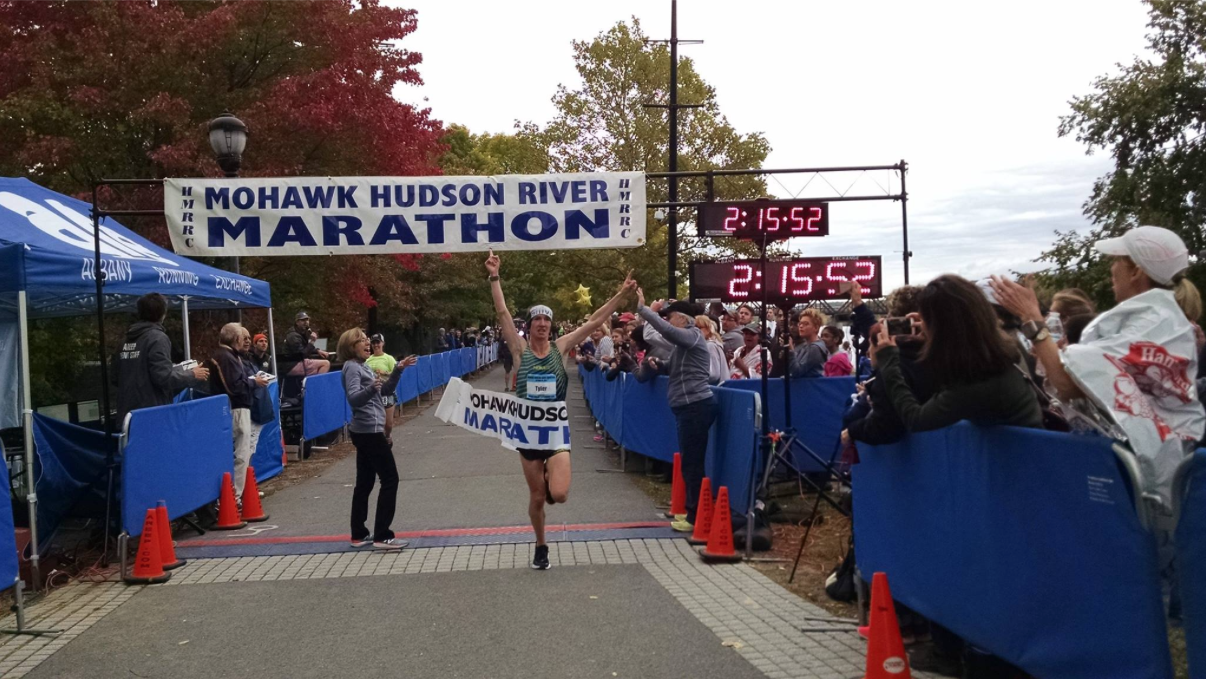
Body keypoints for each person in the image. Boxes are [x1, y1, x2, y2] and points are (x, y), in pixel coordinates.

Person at [990, 226, 1206, 510]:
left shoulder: (1151, 323)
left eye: (1116, 260)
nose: (1110, 268)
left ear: (1136, 271)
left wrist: (1032, 320)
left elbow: (1067, 385)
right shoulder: (1156, 318)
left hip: (1149, 477)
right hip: (1149, 467)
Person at [486, 249, 635, 570]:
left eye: (546, 319)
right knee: (537, 498)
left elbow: (595, 320)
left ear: (551, 325)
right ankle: (541, 545)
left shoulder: (561, 346)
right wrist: (495, 276)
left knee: (561, 494)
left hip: (555, 431)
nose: (541, 323)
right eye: (536, 319)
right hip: (527, 432)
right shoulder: (520, 349)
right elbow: (502, 314)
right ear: (529, 325)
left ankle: (550, 479)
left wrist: (621, 294)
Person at [871, 275, 1043, 433]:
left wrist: (888, 362)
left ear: (941, 328)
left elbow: (916, 419)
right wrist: (932, 332)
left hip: (1017, 459)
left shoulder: (977, 381)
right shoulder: (993, 352)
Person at [635, 288, 716, 534]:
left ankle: (696, 516)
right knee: (691, 463)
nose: (668, 320)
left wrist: (644, 310)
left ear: (682, 318)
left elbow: (666, 330)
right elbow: (676, 366)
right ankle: (694, 512)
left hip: (695, 405)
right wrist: (660, 365)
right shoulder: (687, 341)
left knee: (693, 464)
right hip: (689, 406)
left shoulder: (691, 335)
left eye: (671, 316)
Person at [338, 327, 417, 550]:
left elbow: (386, 391)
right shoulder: (352, 368)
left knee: (365, 482)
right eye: (361, 341)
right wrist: (372, 388)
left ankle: (359, 534)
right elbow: (354, 399)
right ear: (350, 346)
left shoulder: (363, 366)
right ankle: (383, 535)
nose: (367, 343)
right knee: (390, 479)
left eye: (366, 340)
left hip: (365, 430)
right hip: (369, 431)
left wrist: (399, 369)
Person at [115, 292, 209, 424]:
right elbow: (163, 377)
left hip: (127, 416)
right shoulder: (157, 338)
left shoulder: (125, 340)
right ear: (163, 314)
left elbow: (115, 377)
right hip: (152, 415)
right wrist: (192, 374)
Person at [208, 323, 269, 502]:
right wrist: (253, 383)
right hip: (236, 407)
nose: (245, 342)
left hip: (234, 407)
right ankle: (235, 497)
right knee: (241, 454)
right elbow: (235, 386)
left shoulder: (227, 356)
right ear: (236, 339)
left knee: (240, 453)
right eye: (243, 338)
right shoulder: (227, 357)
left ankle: (233, 496)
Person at [365, 334, 398, 440]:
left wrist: (385, 373)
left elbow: (396, 375)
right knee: (375, 423)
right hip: (373, 394)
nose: (375, 345)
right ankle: (379, 443)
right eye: (373, 343)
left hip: (387, 393)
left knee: (388, 424)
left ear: (383, 343)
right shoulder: (367, 360)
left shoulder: (389, 358)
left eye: (378, 342)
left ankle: (388, 435)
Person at [283, 312, 330, 376]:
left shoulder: (302, 332)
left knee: (318, 367)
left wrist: (317, 350)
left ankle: (312, 383)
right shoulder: (293, 336)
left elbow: (304, 348)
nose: (306, 322)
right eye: (303, 320)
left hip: (296, 363)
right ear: (297, 322)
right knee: (325, 364)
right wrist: (312, 341)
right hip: (292, 365)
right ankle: (317, 385)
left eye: (307, 320)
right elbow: (301, 355)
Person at [789, 308, 830, 378]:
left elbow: (796, 372)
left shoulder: (815, 348)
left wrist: (790, 350)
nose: (801, 326)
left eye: (806, 324)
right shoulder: (810, 346)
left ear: (816, 328)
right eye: (800, 323)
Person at [695, 315, 729, 385]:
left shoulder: (710, 346)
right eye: (694, 328)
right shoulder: (707, 345)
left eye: (699, 327)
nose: (695, 330)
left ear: (707, 329)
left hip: (715, 389)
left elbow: (714, 374)